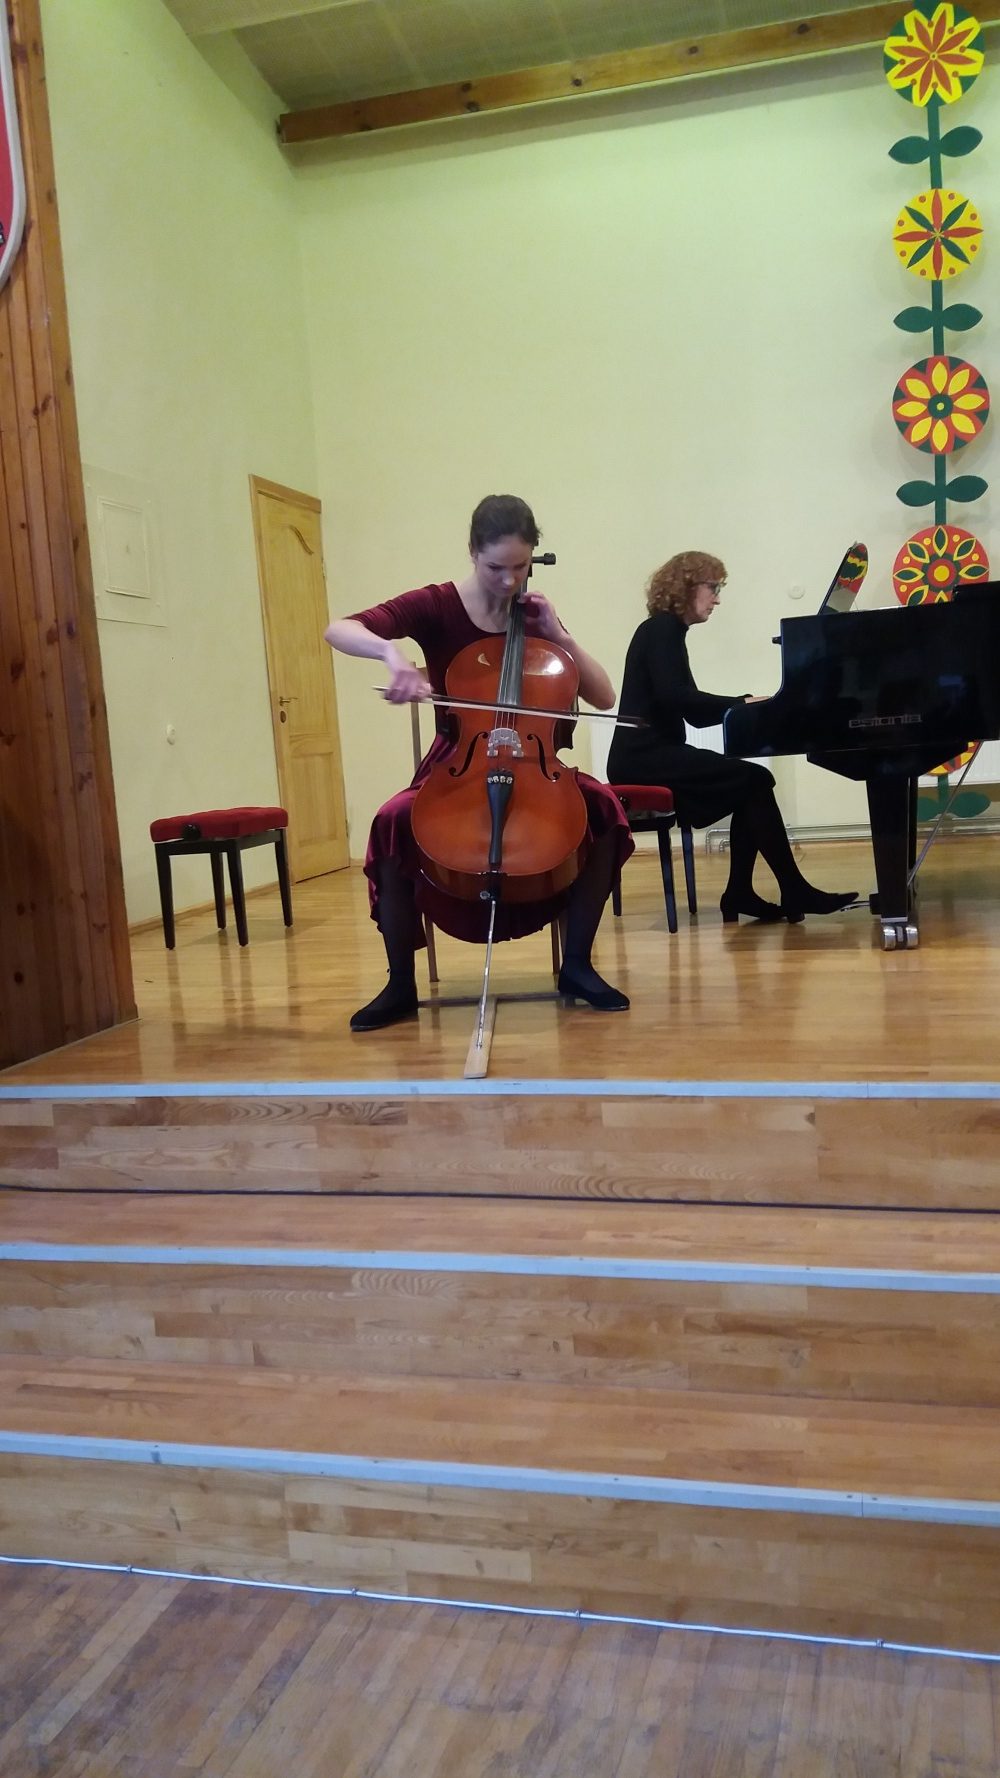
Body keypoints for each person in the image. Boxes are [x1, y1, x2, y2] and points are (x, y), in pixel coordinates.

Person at [325, 495, 634, 1030]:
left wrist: (558, 634)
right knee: (391, 820)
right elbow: (339, 628)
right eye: (496, 568)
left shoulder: (534, 613)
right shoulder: (436, 605)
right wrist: (391, 655)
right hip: (458, 760)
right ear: (472, 552)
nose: (510, 581)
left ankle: (578, 965)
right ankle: (399, 984)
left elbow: (604, 697)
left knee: (603, 808)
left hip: (536, 764)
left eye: (521, 566)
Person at [607, 550, 858, 923]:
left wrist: (744, 706)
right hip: (642, 758)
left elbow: (689, 709)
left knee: (751, 784)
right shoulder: (662, 629)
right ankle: (787, 889)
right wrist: (742, 703)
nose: (717, 599)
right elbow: (679, 699)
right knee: (755, 779)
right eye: (713, 587)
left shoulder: (666, 630)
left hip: (651, 754)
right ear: (687, 586)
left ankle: (745, 892)